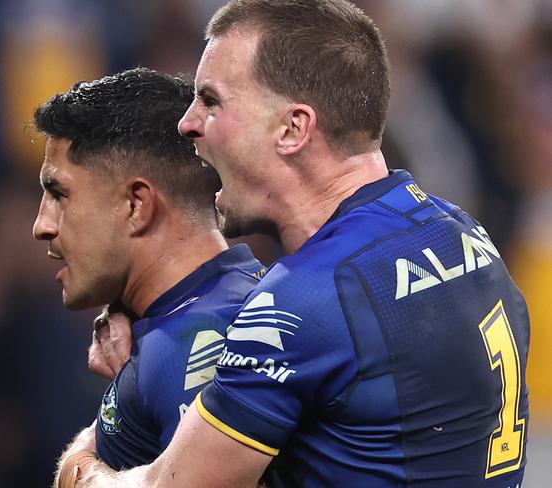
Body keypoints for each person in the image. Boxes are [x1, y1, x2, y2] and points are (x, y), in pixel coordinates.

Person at [65, 1, 530, 487]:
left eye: (211, 101)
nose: (187, 122)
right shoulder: (461, 232)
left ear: (292, 128)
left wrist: (89, 453)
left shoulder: (305, 300)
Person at [31, 68, 266, 487]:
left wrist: (79, 461)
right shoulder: (220, 303)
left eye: (59, 194)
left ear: (137, 204)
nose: (42, 225)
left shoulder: (197, 342)